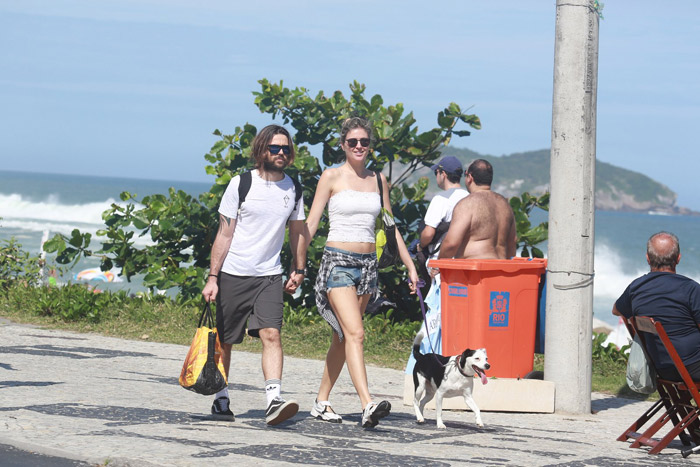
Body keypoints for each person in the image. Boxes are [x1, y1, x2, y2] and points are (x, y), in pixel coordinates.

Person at [296, 116, 419, 428]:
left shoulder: (379, 181)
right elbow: (311, 224)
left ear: (370, 145)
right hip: (337, 262)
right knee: (356, 333)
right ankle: (367, 404)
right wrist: (296, 263)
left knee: (343, 337)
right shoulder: (331, 176)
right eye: (353, 142)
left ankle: (321, 401)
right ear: (343, 145)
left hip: (367, 267)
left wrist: (410, 265)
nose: (359, 146)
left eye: (364, 142)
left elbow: (391, 229)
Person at [202, 124, 306, 426]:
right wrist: (213, 277)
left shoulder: (294, 188)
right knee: (227, 340)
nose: (282, 153)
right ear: (262, 150)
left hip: (270, 275)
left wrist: (298, 269)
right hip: (234, 273)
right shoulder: (241, 183)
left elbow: (298, 233)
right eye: (275, 148)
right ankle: (221, 399)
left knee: (271, 334)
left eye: (286, 149)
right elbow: (224, 233)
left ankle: (273, 400)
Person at [613, 232, 700, 381]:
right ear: (678, 258)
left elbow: (616, 310)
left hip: (662, 368)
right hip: (692, 367)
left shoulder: (636, 287)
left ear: (648, 258)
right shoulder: (690, 289)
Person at [439, 159, 516, 260]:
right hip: (501, 270)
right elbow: (512, 244)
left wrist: (437, 265)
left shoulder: (467, 204)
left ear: (470, 177)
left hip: (475, 272)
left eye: (465, 174)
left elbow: (451, 244)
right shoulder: (505, 205)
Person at [417, 155, 469, 278]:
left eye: (436, 172)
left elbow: (428, 233)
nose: (436, 176)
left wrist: (420, 246)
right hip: (463, 260)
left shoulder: (441, 198)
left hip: (439, 263)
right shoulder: (469, 197)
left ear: (443, 174)